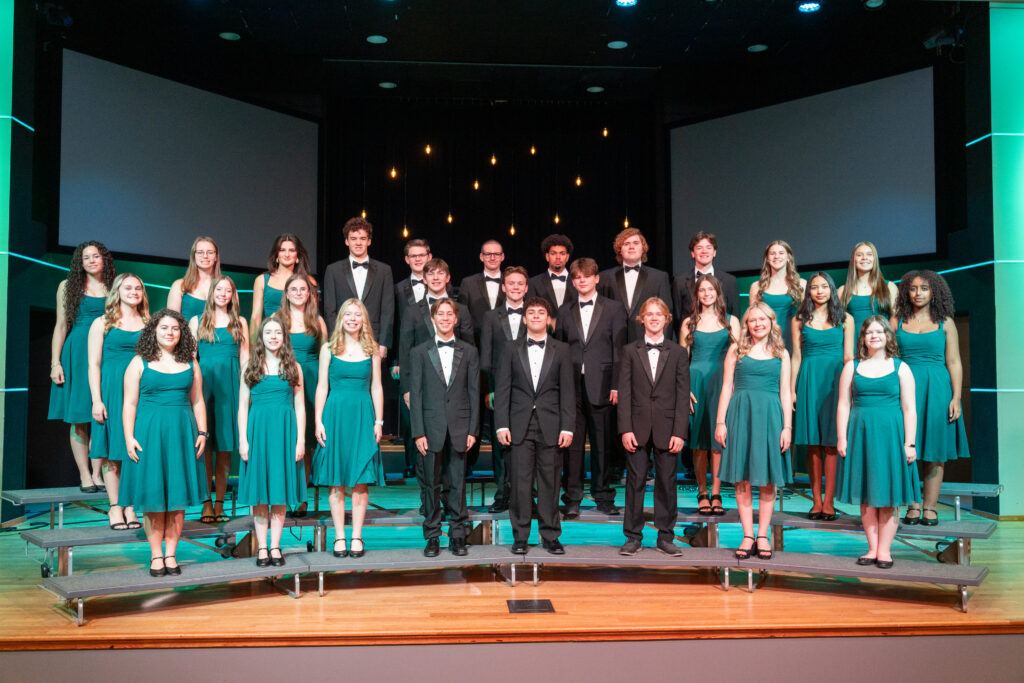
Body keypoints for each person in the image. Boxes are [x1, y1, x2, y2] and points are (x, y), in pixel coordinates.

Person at [121, 309, 208, 577]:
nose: (170, 333)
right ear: (153, 332)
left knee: (177, 499)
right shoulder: (139, 362)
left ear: (181, 333)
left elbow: (197, 400)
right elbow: (129, 403)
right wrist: (128, 437)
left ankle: (171, 553)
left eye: (175, 328)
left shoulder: (191, 363)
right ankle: (156, 555)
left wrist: (203, 432)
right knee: (154, 498)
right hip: (149, 434)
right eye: (164, 328)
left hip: (182, 434)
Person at [836, 316, 920, 568]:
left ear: (888, 337)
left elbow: (909, 408)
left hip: (891, 438)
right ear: (862, 338)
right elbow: (843, 404)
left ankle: (885, 550)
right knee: (867, 495)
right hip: (861, 435)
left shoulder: (901, 367)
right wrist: (842, 437)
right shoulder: (852, 367)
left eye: (879, 331)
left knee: (889, 495)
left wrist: (910, 443)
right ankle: (872, 548)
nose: (874, 336)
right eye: (869, 332)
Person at [494, 297, 575, 555]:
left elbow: (568, 392)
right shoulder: (509, 348)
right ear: (525, 319)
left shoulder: (561, 349)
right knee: (519, 483)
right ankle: (520, 537)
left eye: (542, 312)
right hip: (518, 425)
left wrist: (568, 426)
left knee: (550, 483)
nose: (537, 316)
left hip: (551, 425)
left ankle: (550, 536)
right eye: (532, 312)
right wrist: (501, 425)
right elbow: (503, 389)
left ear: (548, 319)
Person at [892, 270, 970, 526]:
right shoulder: (897, 321)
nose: (918, 293)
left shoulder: (945, 322)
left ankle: (930, 507)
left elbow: (955, 362)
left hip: (937, 390)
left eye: (924, 288)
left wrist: (956, 397)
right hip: (905, 389)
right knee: (908, 449)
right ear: (907, 292)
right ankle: (913, 505)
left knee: (935, 451)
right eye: (913, 289)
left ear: (934, 291)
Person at [716, 302, 793, 561]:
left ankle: (763, 535)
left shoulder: (781, 352)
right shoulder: (737, 349)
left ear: (771, 321)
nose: (757, 324)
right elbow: (726, 386)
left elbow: (785, 392)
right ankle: (748, 534)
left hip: (771, 415)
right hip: (741, 413)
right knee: (743, 477)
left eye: (762, 319)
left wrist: (787, 427)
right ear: (746, 325)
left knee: (768, 478)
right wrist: (720, 422)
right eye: (752, 320)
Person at [617, 297, 689, 556]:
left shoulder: (679, 352)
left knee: (667, 483)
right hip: (636, 427)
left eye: (659, 314)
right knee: (634, 482)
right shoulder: (629, 351)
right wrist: (625, 428)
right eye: (650, 314)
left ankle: (666, 536)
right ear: (642, 319)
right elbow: (624, 393)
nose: (654, 318)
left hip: (668, 428)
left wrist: (680, 431)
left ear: (667, 319)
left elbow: (683, 395)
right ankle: (633, 537)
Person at [313, 299, 385, 559]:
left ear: (363, 320)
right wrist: (318, 421)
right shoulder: (328, 348)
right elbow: (322, 387)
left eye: (358, 315)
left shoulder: (372, 350)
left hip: (362, 416)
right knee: (336, 481)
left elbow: (377, 387)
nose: (353, 318)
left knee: (360, 480)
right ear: (341, 318)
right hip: (335, 416)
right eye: (349, 314)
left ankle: (356, 536)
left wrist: (379, 421)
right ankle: (339, 536)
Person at [555, 257, 627, 518]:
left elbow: (618, 350)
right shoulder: (564, 310)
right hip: (571, 386)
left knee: (603, 444)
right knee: (571, 446)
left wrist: (617, 384)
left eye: (586, 276)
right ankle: (572, 497)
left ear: (596, 278)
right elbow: (559, 350)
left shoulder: (614, 309)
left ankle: (603, 495)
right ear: (572, 282)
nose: (581, 280)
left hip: (604, 384)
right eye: (576, 277)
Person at [408, 299, 480, 557]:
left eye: (450, 314)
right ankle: (432, 536)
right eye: (441, 314)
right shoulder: (419, 351)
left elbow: (474, 392)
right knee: (431, 484)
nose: (446, 318)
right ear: (433, 319)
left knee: (458, 482)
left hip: (460, 427)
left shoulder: (469, 351)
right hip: (430, 427)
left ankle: (458, 534)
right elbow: (415, 395)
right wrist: (418, 432)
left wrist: (473, 429)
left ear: (456, 319)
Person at [237, 317, 306, 568]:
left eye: (278, 332)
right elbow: (243, 407)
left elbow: (300, 407)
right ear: (261, 336)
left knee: (279, 492)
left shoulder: (293, 367)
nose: (273, 336)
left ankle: (276, 546)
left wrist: (299, 440)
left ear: (284, 337)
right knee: (259, 496)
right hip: (258, 433)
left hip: (284, 434)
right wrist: (243, 440)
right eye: (268, 332)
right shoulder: (249, 366)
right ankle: (262, 548)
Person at [49, 240, 116, 492]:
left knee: (102, 415)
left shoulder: (114, 286)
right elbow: (61, 326)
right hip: (77, 352)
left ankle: (98, 473)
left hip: (106, 354)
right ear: (80, 262)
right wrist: (55, 363)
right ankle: (84, 475)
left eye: (96, 256)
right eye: (86, 257)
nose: (91, 261)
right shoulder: (67, 286)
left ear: (104, 260)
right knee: (79, 417)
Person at [791, 272, 854, 521]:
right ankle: (816, 501)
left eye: (824, 286)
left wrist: (850, 389)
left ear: (832, 290)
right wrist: (792, 388)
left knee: (831, 443)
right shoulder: (799, 319)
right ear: (809, 292)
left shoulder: (845, 319)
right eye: (815, 287)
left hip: (836, 381)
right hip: (808, 379)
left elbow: (849, 357)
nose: (819, 291)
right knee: (813, 443)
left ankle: (829, 502)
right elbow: (796, 356)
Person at [87, 273, 149, 530]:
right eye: (128, 287)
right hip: (112, 392)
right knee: (113, 451)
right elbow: (93, 364)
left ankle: (131, 506)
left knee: (135, 451)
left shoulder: (149, 323)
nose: (133, 291)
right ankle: (114, 507)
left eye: (138, 288)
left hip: (141, 393)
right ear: (117, 291)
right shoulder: (102, 322)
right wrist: (96, 400)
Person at [189, 276, 249, 524]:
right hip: (205, 387)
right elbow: (191, 357)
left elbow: (246, 359)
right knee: (204, 449)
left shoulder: (240, 322)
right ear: (212, 292)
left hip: (231, 388)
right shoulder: (197, 321)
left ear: (233, 295)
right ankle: (206, 503)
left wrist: (248, 389)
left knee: (225, 449)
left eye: (228, 290)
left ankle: (221, 503)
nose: (223, 294)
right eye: (219, 289)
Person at [679, 274, 739, 517]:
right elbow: (682, 361)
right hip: (696, 383)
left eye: (710, 289)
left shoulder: (731, 321)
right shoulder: (688, 323)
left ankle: (716, 492)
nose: (706, 294)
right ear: (697, 295)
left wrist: (735, 384)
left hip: (721, 382)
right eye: (702, 290)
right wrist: (683, 390)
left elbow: (739, 354)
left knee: (718, 440)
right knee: (699, 441)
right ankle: (702, 492)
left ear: (717, 292)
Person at [276, 274, 327, 517]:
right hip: (285, 381)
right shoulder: (277, 320)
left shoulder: (317, 321)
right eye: (293, 289)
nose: (298, 293)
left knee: (305, 443)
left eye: (302, 289)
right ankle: (284, 495)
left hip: (312, 380)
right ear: (286, 293)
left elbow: (326, 356)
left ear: (309, 294)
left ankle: (303, 497)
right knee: (287, 439)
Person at [479, 266, 529, 513]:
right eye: (511, 283)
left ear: (526, 287)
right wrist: (489, 390)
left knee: (526, 443)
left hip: (527, 391)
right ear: (504, 287)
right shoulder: (491, 317)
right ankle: (501, 494)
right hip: (499, 389)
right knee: (500, 445)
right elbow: (486, 357)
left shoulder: (534, 314)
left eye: (520, 283)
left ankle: (526, 495)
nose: (516, 287)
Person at [399, 258, 475, 403]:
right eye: (431, 273)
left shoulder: (462, 310)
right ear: (424, 279)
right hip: (422, 383)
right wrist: (407, 388)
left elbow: (469, 348)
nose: (435, 278)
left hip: (456, 385)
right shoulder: (411, 312)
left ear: (447, 278)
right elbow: (405, 351)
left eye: (440, 273)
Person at [323, 217, 394, 359]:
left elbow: (388, 310)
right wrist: (334, 340)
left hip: (374, 340)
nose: (358, 243)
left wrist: (384, 343)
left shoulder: (384, 270)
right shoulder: (333, 270)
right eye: (353, 238)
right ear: (346, 241)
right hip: (343, 339)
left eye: (362, 238)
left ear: (369, 241)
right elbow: (329, 309)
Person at [392, 239, 432, 475]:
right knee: (409, 412)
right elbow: (396, 325)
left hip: (433, 356)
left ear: (429, 257)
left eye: (421, 255)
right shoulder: (397, 289)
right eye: (413, 256)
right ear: (407, 260)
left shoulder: (438, 285)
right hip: (407, 356)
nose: (417, 259)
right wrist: (397, 360)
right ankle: (412, 462)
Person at [598, 228, 673, 342]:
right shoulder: (605, 277)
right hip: (614, 344)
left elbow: (667, 314)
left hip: (647, 342)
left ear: (643, 248)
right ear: (620, 250)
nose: (631, 247)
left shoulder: (659, 277)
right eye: (626, 244)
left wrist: (664, 347)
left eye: (636, 243)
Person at [250, 233, 315, 334]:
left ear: (298, 255)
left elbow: (312, 315)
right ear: (276, 254)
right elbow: (256, 317)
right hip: (271, 337)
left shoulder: (308, 281)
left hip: (299, 337)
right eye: (282, 250)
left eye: (292, 250)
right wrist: (253, 347)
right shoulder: (262, 280)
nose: (287, 254)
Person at [749, 240, 806, 353]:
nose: (776, 256)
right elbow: (752, 320)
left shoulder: (801, 284)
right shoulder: (756, 287)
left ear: (788, 257)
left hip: (794, 341)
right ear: (767, 258)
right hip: (766, 342)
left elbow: (808, 317)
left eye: (781, 253)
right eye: (772, 253)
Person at [672, 231, 741, 320]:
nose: (704, 251)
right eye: (699, 248)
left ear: (714, 252)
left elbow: (735, 316)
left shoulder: (729, 281)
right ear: (692, 253)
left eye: (709, 247)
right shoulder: (679, 282)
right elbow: (677, 317)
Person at [838, 241, 898, 335]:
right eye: (859, 255)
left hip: (882, 345)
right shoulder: (843, 291)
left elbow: (896, 319)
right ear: (853, 259)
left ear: (875, 259)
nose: (864, 258)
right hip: (853, 346)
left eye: (869, 254)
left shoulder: (889, 287)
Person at [457, 239, 507, 336]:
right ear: (481, 257)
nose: (492, 258)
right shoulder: (468, 283)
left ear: (502, 257)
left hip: (506, 343)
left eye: (496, 254)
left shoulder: (512, 283)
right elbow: (461, 316)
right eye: (488, 254)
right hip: (476, 342)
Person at [167, 236, 221, 322]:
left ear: (216, 257)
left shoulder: (227, 288)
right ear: (193, 256)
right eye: (200, 252)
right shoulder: (179, 286)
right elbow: (171, 322)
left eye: (210, 252)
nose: (205, 256)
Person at [528, 234, 577, 312]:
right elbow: (530, 311)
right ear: (547, 256)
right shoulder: (534, 283)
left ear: (567, 257)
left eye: (562, 253)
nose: (558, 257)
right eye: (553, 253)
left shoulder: (578, 281)